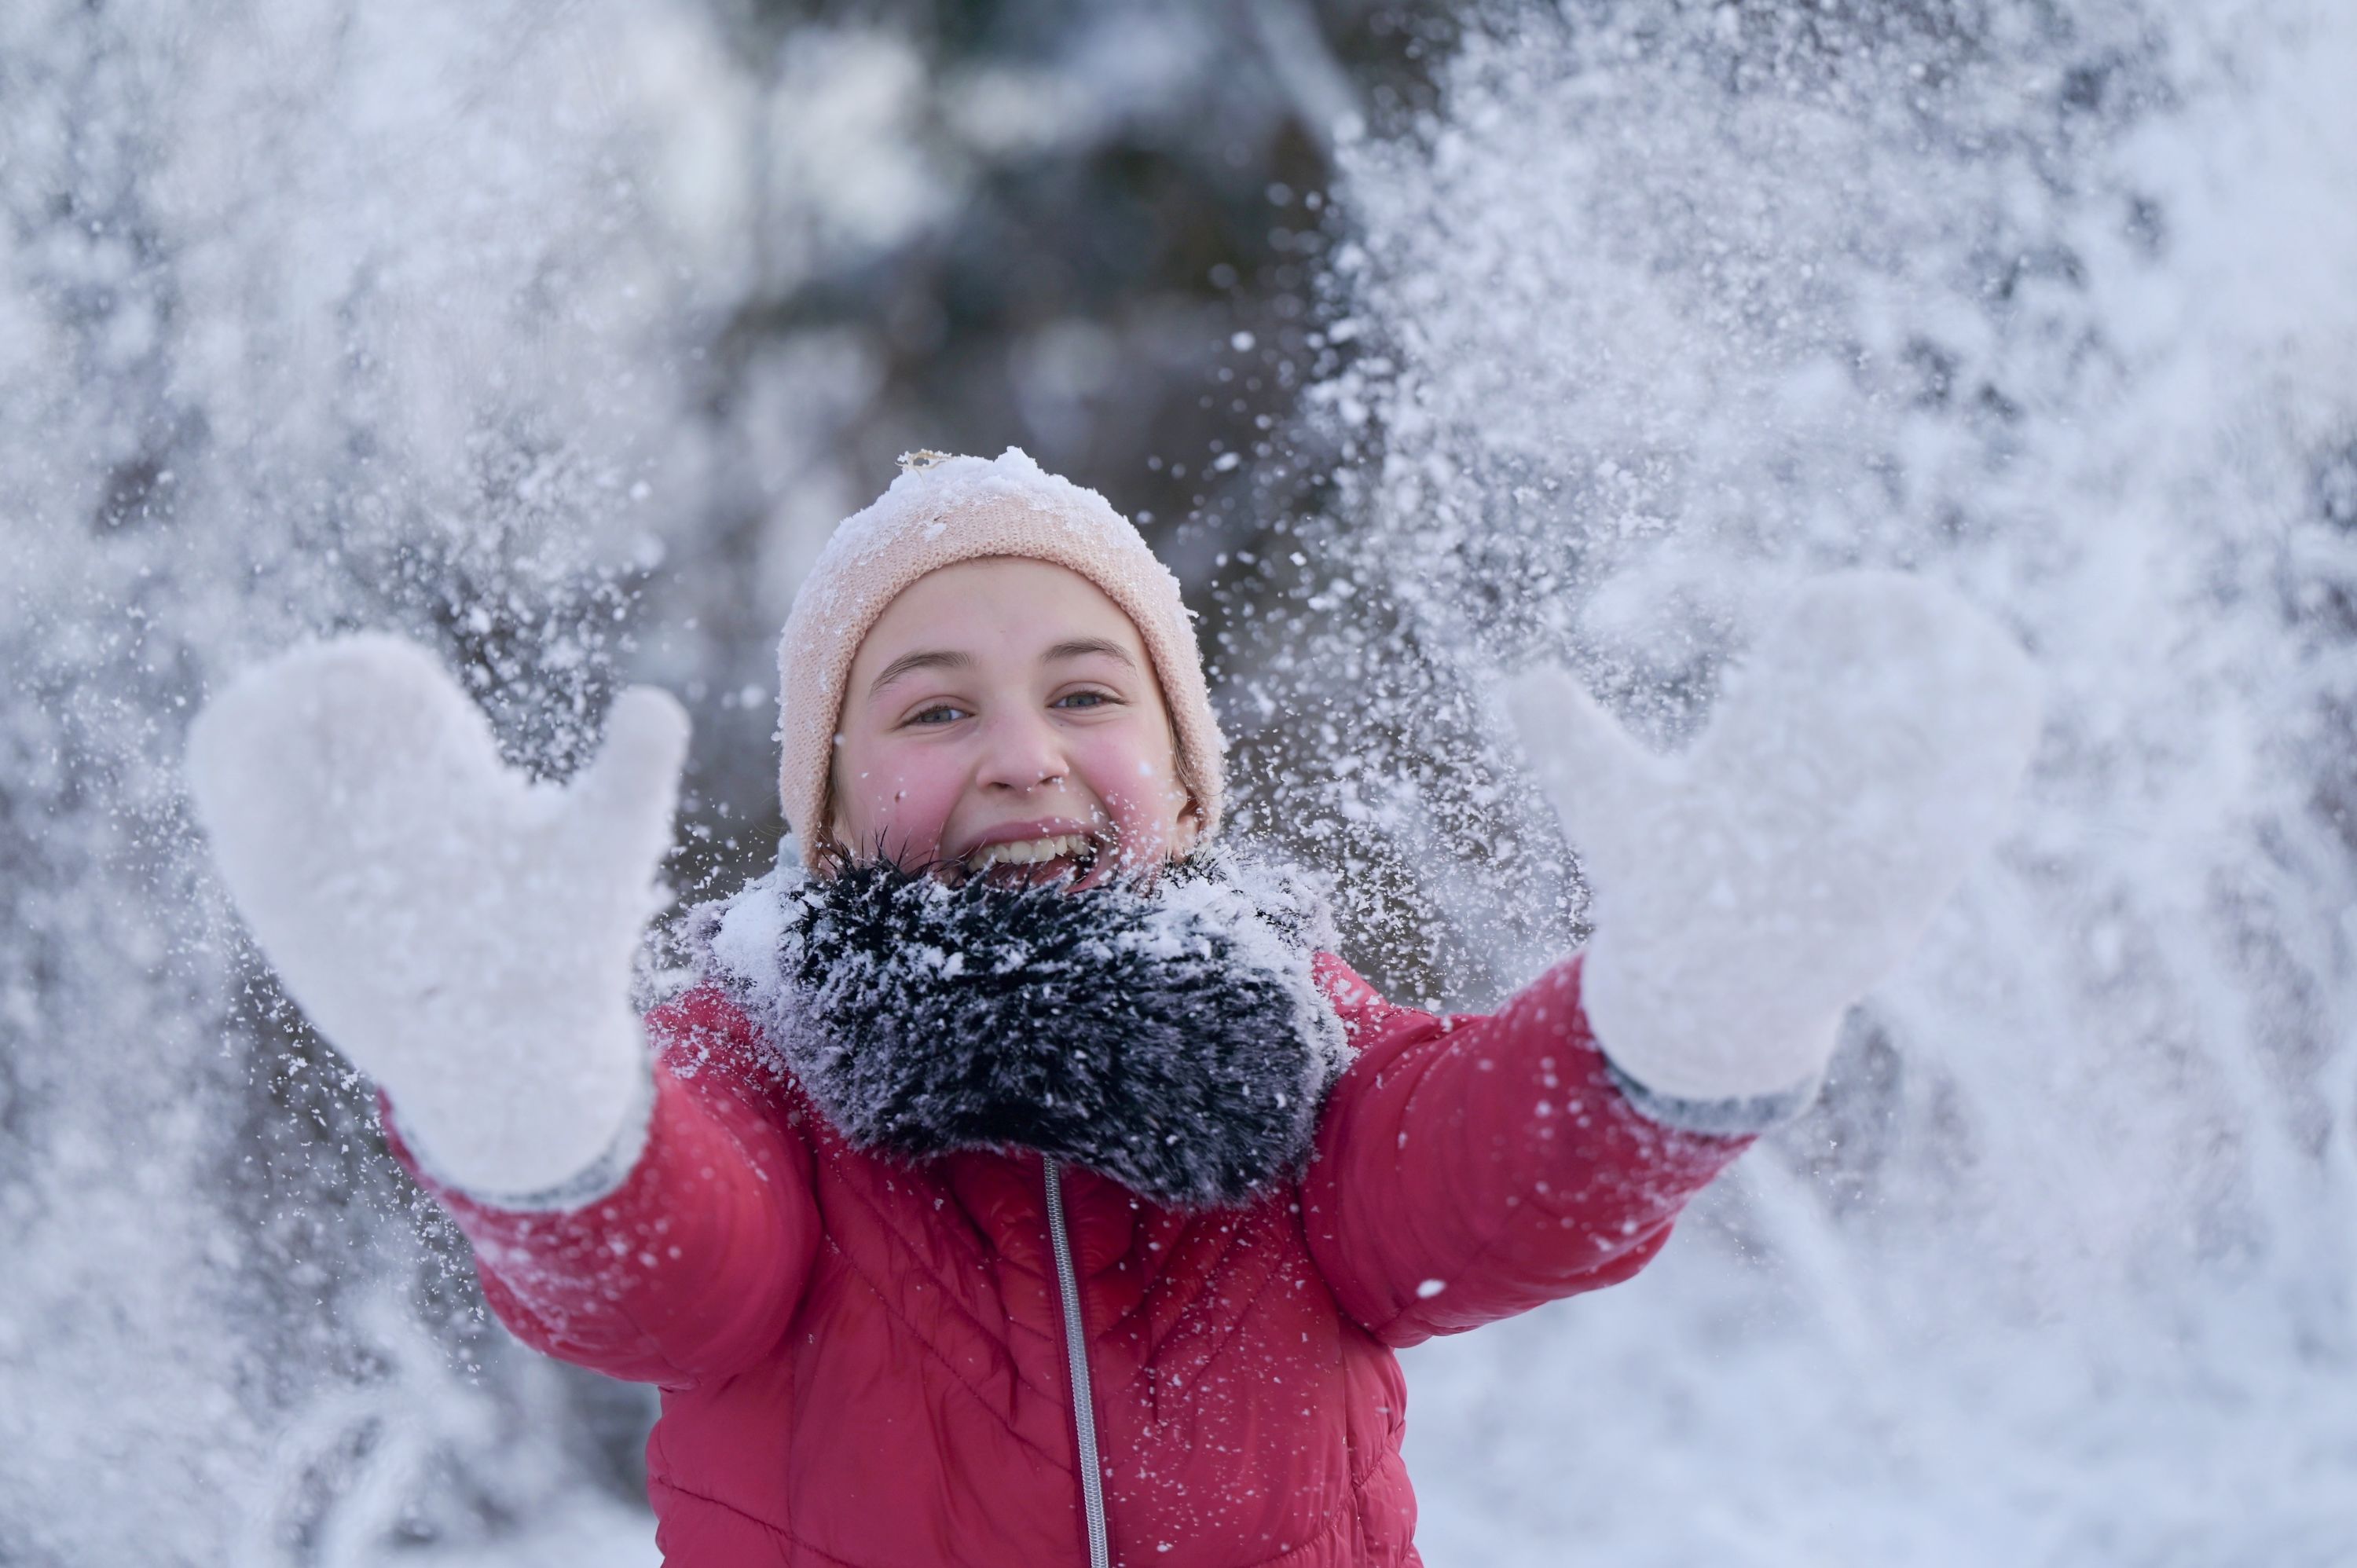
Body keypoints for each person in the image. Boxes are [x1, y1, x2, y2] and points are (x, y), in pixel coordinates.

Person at [186, 448, 2040, 1566]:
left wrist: (1687, 1016)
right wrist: (522, 1087)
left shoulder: (1298, 1036)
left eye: (1088, 693)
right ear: (827, 808)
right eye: (929, 708)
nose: (1021, 756)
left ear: (1184, 770)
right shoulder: (748, 1059)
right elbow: (675, 1265)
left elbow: (1466, 1182)